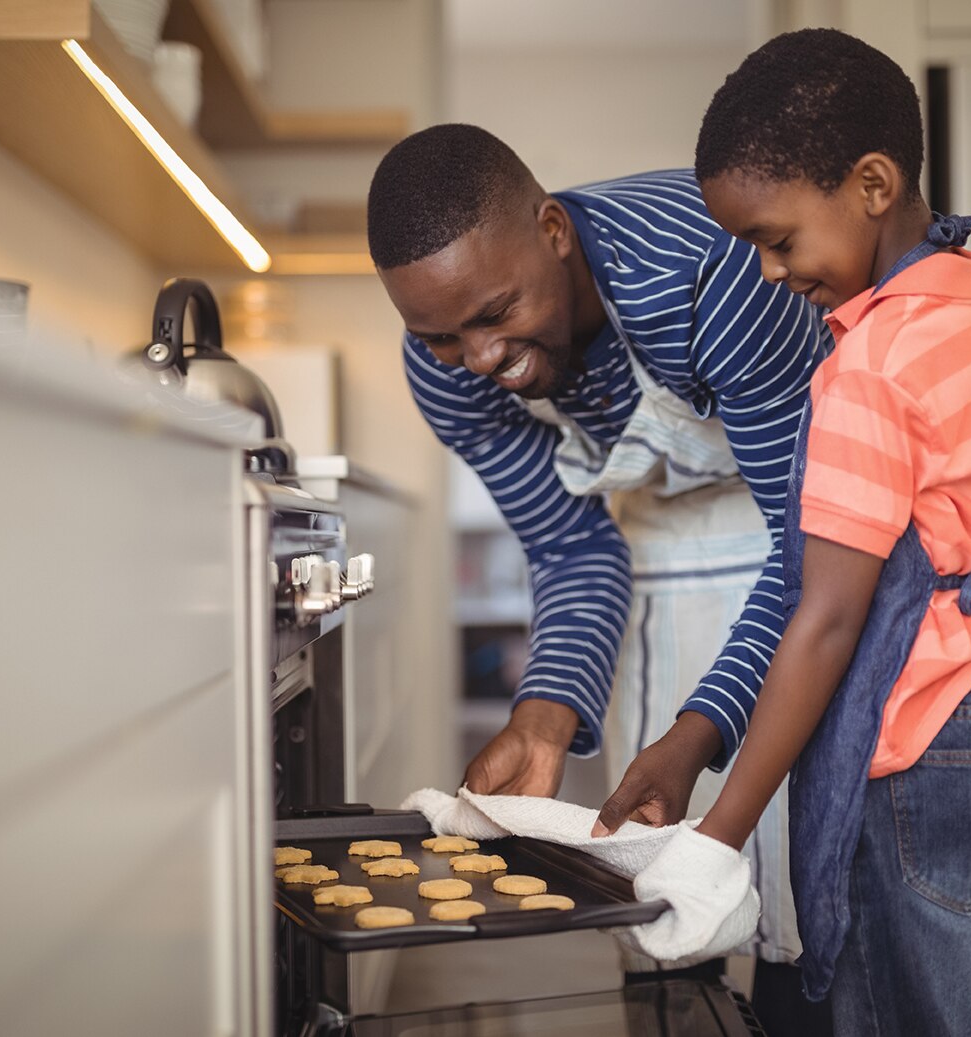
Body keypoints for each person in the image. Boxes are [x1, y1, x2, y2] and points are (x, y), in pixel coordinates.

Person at [597, 29, 971, 1037]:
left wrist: (718, 833)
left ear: (870, 183)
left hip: (913, 744)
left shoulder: (865, 367)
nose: (770, 274)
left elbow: (827, 617)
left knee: (891, 1007)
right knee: (963, 1001)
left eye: (777, 240)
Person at [366, 123, 834, 1032]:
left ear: (552, 230)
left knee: (806, 912)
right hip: (662, 566)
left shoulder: (710, 266)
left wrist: (701, 733)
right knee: (667, 928)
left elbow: (809, 545)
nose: (481, 361)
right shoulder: (446, 368)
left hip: (815, 557)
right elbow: (576, 550)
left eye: (497, 314)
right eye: (441, 336)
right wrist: (542, 717)